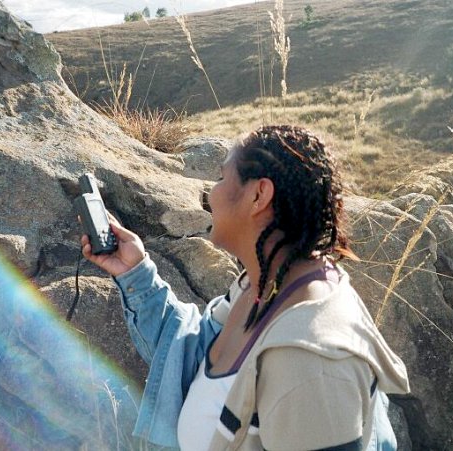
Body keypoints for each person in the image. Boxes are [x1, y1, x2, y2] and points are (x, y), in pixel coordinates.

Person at [81, 125, 410, 450]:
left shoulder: (311, 362)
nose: (210, 193)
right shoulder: (260, 287)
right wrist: (135, 274)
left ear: (258, 195)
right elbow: (185, 352)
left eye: (222, 178)